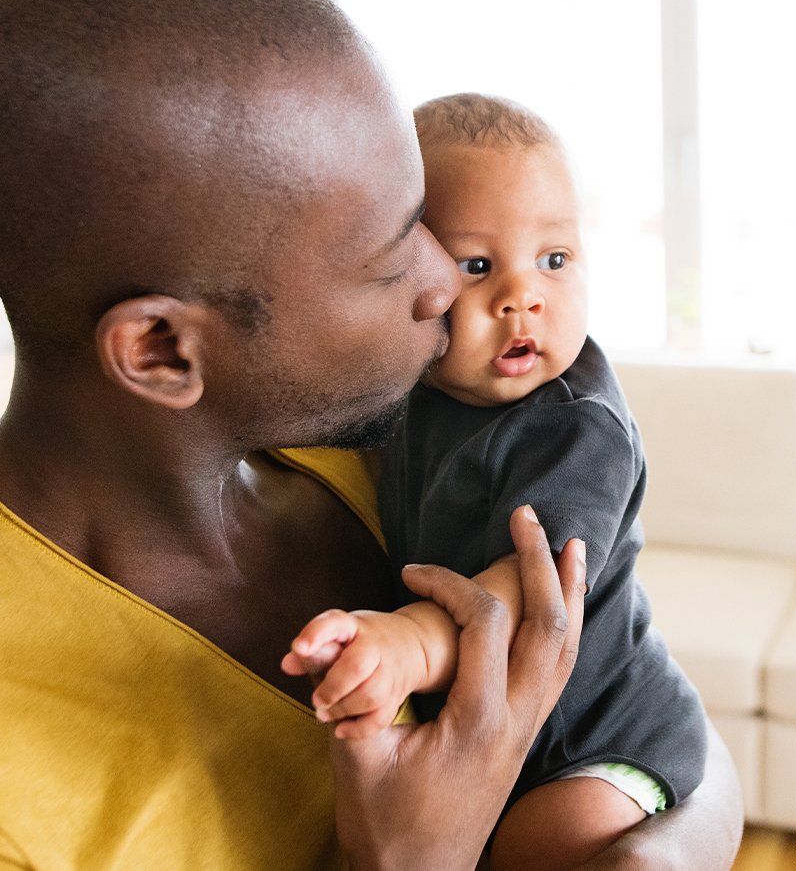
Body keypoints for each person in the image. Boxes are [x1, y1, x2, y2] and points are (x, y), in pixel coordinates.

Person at [0, 0, 741, 870]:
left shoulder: (372, 444)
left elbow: (662, 721)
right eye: (390, 258)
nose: (446, 285)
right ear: (160, 349)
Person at [281, 94, 706, 870]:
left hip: (598, 734)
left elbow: (535, 588)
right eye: (478, 265)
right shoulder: (418, 389)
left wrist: (411, 643)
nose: (524, 296)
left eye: (554, 258)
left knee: (535, 846)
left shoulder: (574, 425)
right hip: (489, 729)